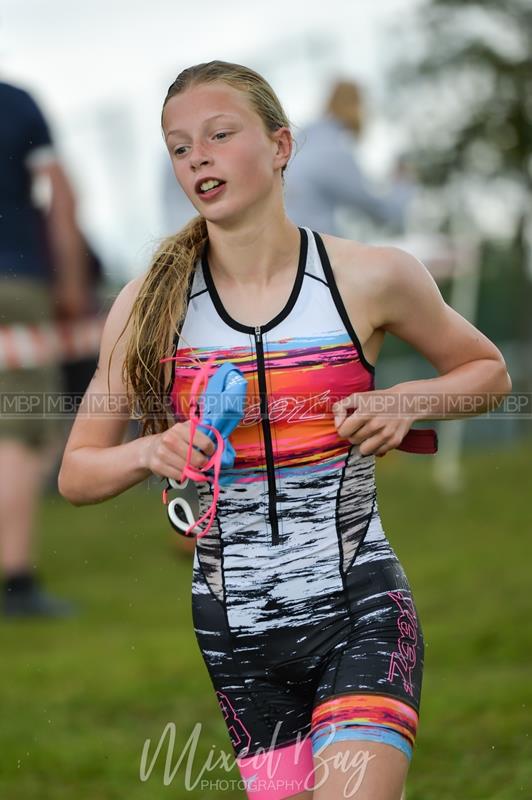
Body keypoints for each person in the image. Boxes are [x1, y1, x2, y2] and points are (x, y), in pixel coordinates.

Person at [58, 60, 512, 800]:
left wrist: (404, 401)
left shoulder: (370, 276)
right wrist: (149, 450)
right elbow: (76, 474)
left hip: (358, 608)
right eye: (179, 147)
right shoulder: (148, 304)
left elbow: (489, 374)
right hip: (235, 638)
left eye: (219, 134)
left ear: (281, 146)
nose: (197, 156)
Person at [0, 79, 91, 617]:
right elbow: (60, 190)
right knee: (20, 427)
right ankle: (16, 580)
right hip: (13, 279)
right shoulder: (14, 101)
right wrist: (73, 278)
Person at [283, 79, 416, 237]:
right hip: (309, 250)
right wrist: (402, 182)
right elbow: (381, 211)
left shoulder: (305, 140)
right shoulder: (334, 151)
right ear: (357, 108)